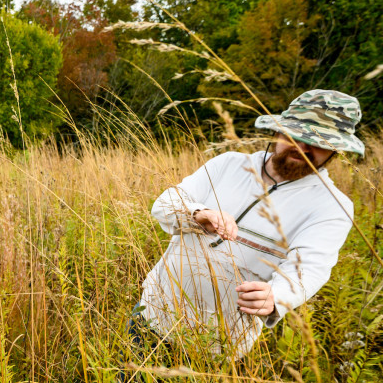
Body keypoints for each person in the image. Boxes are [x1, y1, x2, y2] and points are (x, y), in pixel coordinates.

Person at [135, 89, 364, 360]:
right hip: (152, 314)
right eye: (297, 136)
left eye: (319, 143)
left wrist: (276, 295)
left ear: (336, 150)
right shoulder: (229, 164)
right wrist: (198, 214)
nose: (302, 147)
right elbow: (165, 203)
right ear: (279, 132)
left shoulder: (332, 205)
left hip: (218, 342)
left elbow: (309, 269)